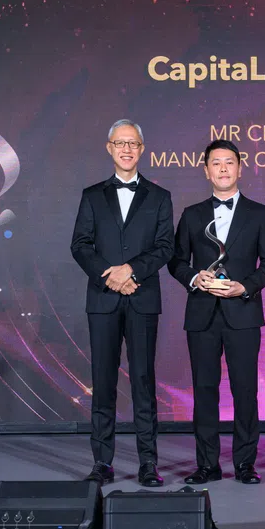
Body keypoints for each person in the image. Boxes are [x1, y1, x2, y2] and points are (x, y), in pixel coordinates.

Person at [168, 139, 265, 484]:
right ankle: (207, 465)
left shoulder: (259, 213)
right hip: (202, 314)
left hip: (243, 312)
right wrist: (194, 278)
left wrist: (244, 287)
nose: (223, 169)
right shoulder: (192, 214)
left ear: (240, 168)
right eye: (215, 163)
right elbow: (176, 261)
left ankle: (245, 464)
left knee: (245, 390)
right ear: (206, 170)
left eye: (229, 162)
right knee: (204, 390)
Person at [71, 119, 174, 486]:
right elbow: (80, 245)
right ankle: (102, 462)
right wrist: (110, 276)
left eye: (133, 143)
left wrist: (131, 270)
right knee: (103, 381)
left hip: (142, 298)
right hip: (103, 300)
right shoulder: (92, 195)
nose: (127, 149)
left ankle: (148, 462)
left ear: (141, 149)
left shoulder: (159, 196)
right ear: (109, 148)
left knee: (144, 381)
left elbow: (165, 247)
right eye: (120, 143)